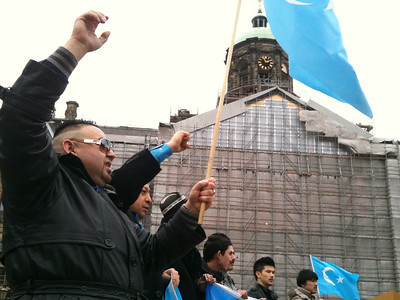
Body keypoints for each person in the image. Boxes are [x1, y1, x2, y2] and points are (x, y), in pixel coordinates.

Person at [0, 10, 215, 299]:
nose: (112, 154)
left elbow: (150, 255)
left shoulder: (112, 206)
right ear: (70, 147)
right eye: (103, 144)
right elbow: (19, 116)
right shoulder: (42, 182)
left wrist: (189, 211)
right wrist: (75, 47)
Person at [159, 192, 214, 300]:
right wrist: (164, 280)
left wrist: (200, 284)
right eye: (190, 212)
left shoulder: (190, 249)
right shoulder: (162, 247)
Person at [201, 233, 248, 299]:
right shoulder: (200, 279)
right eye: (230, 253)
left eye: (233, 254)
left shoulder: (226, 279)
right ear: (219, 254)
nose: (234, 257)